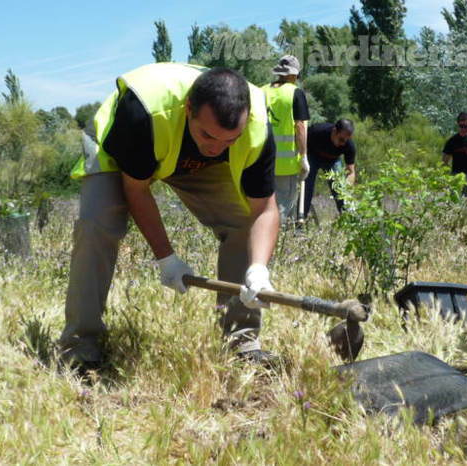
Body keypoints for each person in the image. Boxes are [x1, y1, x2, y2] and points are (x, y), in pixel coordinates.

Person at [59, 63, 280, 370]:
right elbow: (135, 190)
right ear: (189, 107)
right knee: (96, 225)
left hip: (188, 161)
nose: (216, 148)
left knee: (243, 220)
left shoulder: (257, 126)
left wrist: (257, 269)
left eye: (229, 141)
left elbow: (264, 210)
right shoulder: (144, 111)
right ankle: (81, 343)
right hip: (126, 148)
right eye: (208, 135)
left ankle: (241, 340)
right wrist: (166, 258)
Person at [261, 55, 310, 222]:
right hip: (285, 166)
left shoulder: (261, 91)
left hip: (260, 162)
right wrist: (303, 158)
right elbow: (300, 127)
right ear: (292, 75)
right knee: (281, 209)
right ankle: (274, 244)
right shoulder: (295, 93)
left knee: (261, 208)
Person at [303, 119, 356, 218]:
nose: (343, 143)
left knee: (341, 191)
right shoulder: (317, 131)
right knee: (306, 189)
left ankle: (349, 221)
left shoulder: (349, 145)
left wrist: (346, 187)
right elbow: (300, 142)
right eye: (341, 140)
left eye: (346, 140)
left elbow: (351, 172)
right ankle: (299, 221)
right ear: (334, 131)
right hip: (312, 156)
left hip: (332, 161)